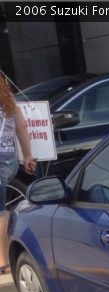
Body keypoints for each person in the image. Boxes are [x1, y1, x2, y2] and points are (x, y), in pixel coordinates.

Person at [0, 76, 36, 274]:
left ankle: (3, 262)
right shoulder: (9, 100)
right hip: (7, 160)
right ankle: (3, 259)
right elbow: (22, 128)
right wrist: (27, 155)